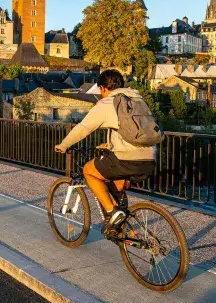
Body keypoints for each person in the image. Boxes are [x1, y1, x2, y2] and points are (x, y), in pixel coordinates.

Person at [55, 69, 156, 234]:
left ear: (102, 88)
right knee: (115, 184)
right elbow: (131, 132)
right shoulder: (138, 99)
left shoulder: (108, 103)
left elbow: (84, 128)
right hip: (150, 158)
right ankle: (123, 231)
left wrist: (64, 144)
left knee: (89, 171)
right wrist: (108, 145)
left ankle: (112, 211)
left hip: (126, 159)